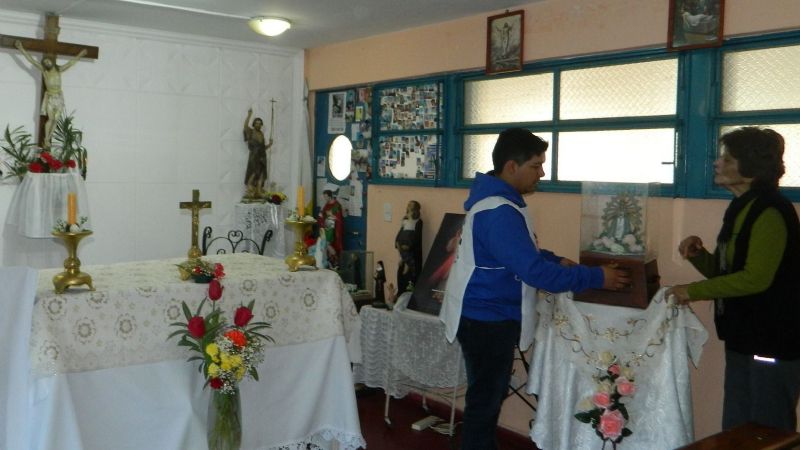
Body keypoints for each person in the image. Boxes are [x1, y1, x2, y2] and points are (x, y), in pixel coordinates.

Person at [439, 128, 630, 450]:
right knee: (484, 403)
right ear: (511, 166)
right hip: (487, 319)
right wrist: (598, 278)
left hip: (486, 314)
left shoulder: (501, 204)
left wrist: (557, 259)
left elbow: (520, 252)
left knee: (488, 397)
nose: (541, 173)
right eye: (536, 165)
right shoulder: (498, 210)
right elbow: (536, 273)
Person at [667, 127, 800, 432]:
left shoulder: (771, 210)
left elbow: (755, 279)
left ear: (752, 167)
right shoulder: (742, 206)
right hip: (744, 336)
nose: (717, 163)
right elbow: (729, 274)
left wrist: (691, 290)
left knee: (767, 429)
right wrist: (699, 255)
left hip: (772, 340)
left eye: (728, 158)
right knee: (738, 425)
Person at [15, 40, 87, 149]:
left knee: (56, 119)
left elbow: (71, 63)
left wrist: (81, 54)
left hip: (59, 97)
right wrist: (21, 49)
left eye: (48, 61)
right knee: (51, 119)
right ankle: (46, 139)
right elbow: (31, 60)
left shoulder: (59, 70)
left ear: (52, 61)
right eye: (45, 63)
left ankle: (49, 137)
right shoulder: (45, 72)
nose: (47, 63)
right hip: (50, 97)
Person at [243, 108, 273, 200]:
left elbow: (262, 147)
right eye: (256, 123)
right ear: (254, 124)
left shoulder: (261, 134)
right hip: (254, 155)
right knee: (253, 171)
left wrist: (270, 144)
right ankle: (249, 187)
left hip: (262, 156)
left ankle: (259, 189)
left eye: (260, 123)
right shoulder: (251, 132)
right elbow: (245, 126)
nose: (258, 125)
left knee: (262, 173)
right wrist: (249, 115)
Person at [395, 200, 423, 293]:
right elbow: (400, 231)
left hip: (411, 247)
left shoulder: (418, 222)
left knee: (410, 280)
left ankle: (406, 261)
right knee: (400, 243)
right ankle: (403, 259)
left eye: (411, 205)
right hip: (402, 244)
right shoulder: (405, 219)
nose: (408, 206)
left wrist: (410, 246)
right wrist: (397, 241)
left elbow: (416, 238)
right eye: (408, 205)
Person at [318, 189, 344, 267]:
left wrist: (331, 215)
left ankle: (336, 260)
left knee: (328, 243)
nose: (325, 198)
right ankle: (331, 261)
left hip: (334, 228)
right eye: (324, 196)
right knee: (325, 243)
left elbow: (339, 217)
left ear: (330, 196)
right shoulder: (327, 204)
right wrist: (321, 215)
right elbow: (323, 213)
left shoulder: (337, 205)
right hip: (327, 227)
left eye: (326, 196)